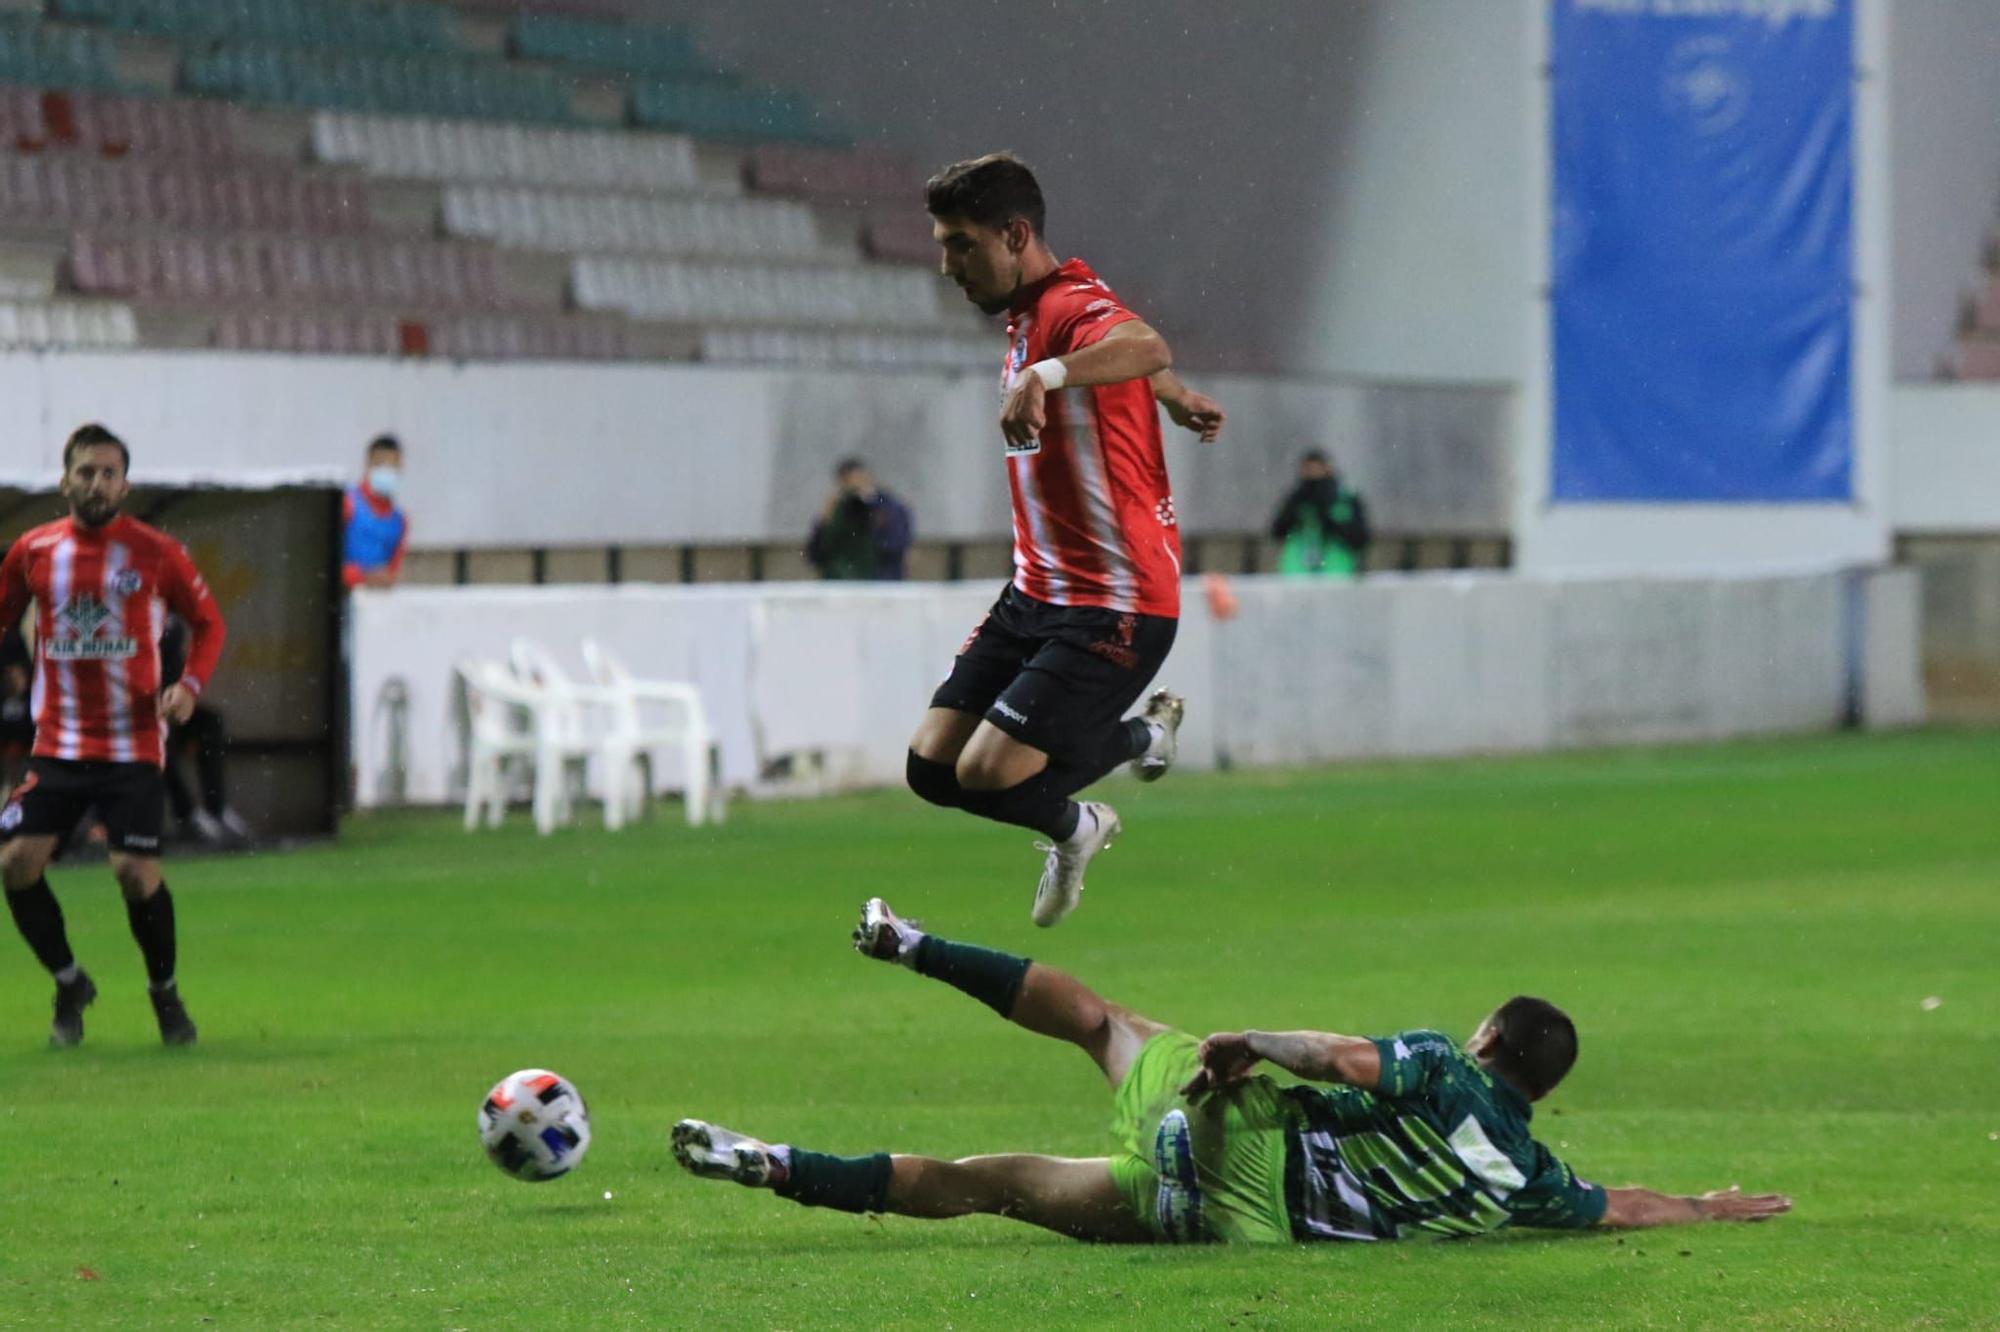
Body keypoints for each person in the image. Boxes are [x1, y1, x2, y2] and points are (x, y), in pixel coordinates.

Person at [674, 898, 1793, 1244]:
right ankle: (772, 1167)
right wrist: (1703, 1205)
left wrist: (1255, 1042)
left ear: (1490, 1041)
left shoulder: (1443, 1068)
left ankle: (908, 947)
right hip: (1236, 1226)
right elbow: (1618, 1207)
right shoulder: (1525, 1178)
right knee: (1000, 1186)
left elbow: (1342, 1057)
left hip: (1239, 1135)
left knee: (1101, 1024)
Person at [907, 152, 1227, 927]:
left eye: (962, 245)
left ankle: (1140, 736)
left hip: (1113, 602)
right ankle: (1079, 825)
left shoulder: (1072, 303)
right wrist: (1175, 399)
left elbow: (1144, 343)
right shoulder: (1032, 314)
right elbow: (1137, 367)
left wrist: (1046, 378)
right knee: (932, 769)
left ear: (1015, 235)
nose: (947, 265)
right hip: (1034, 593)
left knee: (989, 771)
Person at [0, 423, 226, 1048]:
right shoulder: (33, 551)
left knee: (132, 870)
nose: (96, 483)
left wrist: (190, 686)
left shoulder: (155, 552)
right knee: (16, 864)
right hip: (57, 746)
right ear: (64, 479)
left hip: (131, 747)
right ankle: (69, 981)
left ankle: (165, 994)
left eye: (108, 473)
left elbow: (208, 623)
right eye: (85, 472)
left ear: (124, 483)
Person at [159, 612, 250, 846]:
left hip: (172, 703)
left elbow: (210, 626)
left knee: (210, 722)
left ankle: (216, 807)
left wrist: (187, 688)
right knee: (156, 741)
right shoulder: (128, 601)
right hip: (139, 710)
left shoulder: (171, 606)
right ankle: (187, 814)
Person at [805, 457, 915, 580]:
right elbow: (815, 554)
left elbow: (896, 545)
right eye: (848, 483)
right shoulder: (836, 510)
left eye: (860, 480)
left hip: (881, 580)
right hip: (840, 582)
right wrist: (824, 521)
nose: (855, 487)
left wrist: (871, 505)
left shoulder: (889, 507)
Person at [1271, 448, 1370, 578]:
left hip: (1337, 574)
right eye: (1308, 470)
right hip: (1297, 575)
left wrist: (1327, 510)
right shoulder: (1296, 499)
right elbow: (1278, 531)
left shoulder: (1345, 499)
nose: (1313, 475)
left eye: (1317, 470)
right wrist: (1297, 500)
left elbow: (1359, 538)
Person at [344, 434, 408, 592]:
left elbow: (392, 574)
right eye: (380, 463)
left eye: (392, 464)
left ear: (400, 467)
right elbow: (324, 563)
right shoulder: (347, 503)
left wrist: (385, 579)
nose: (386, 469)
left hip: (375, 605)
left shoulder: (399, 522)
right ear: (367, 465)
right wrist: (361, 576)